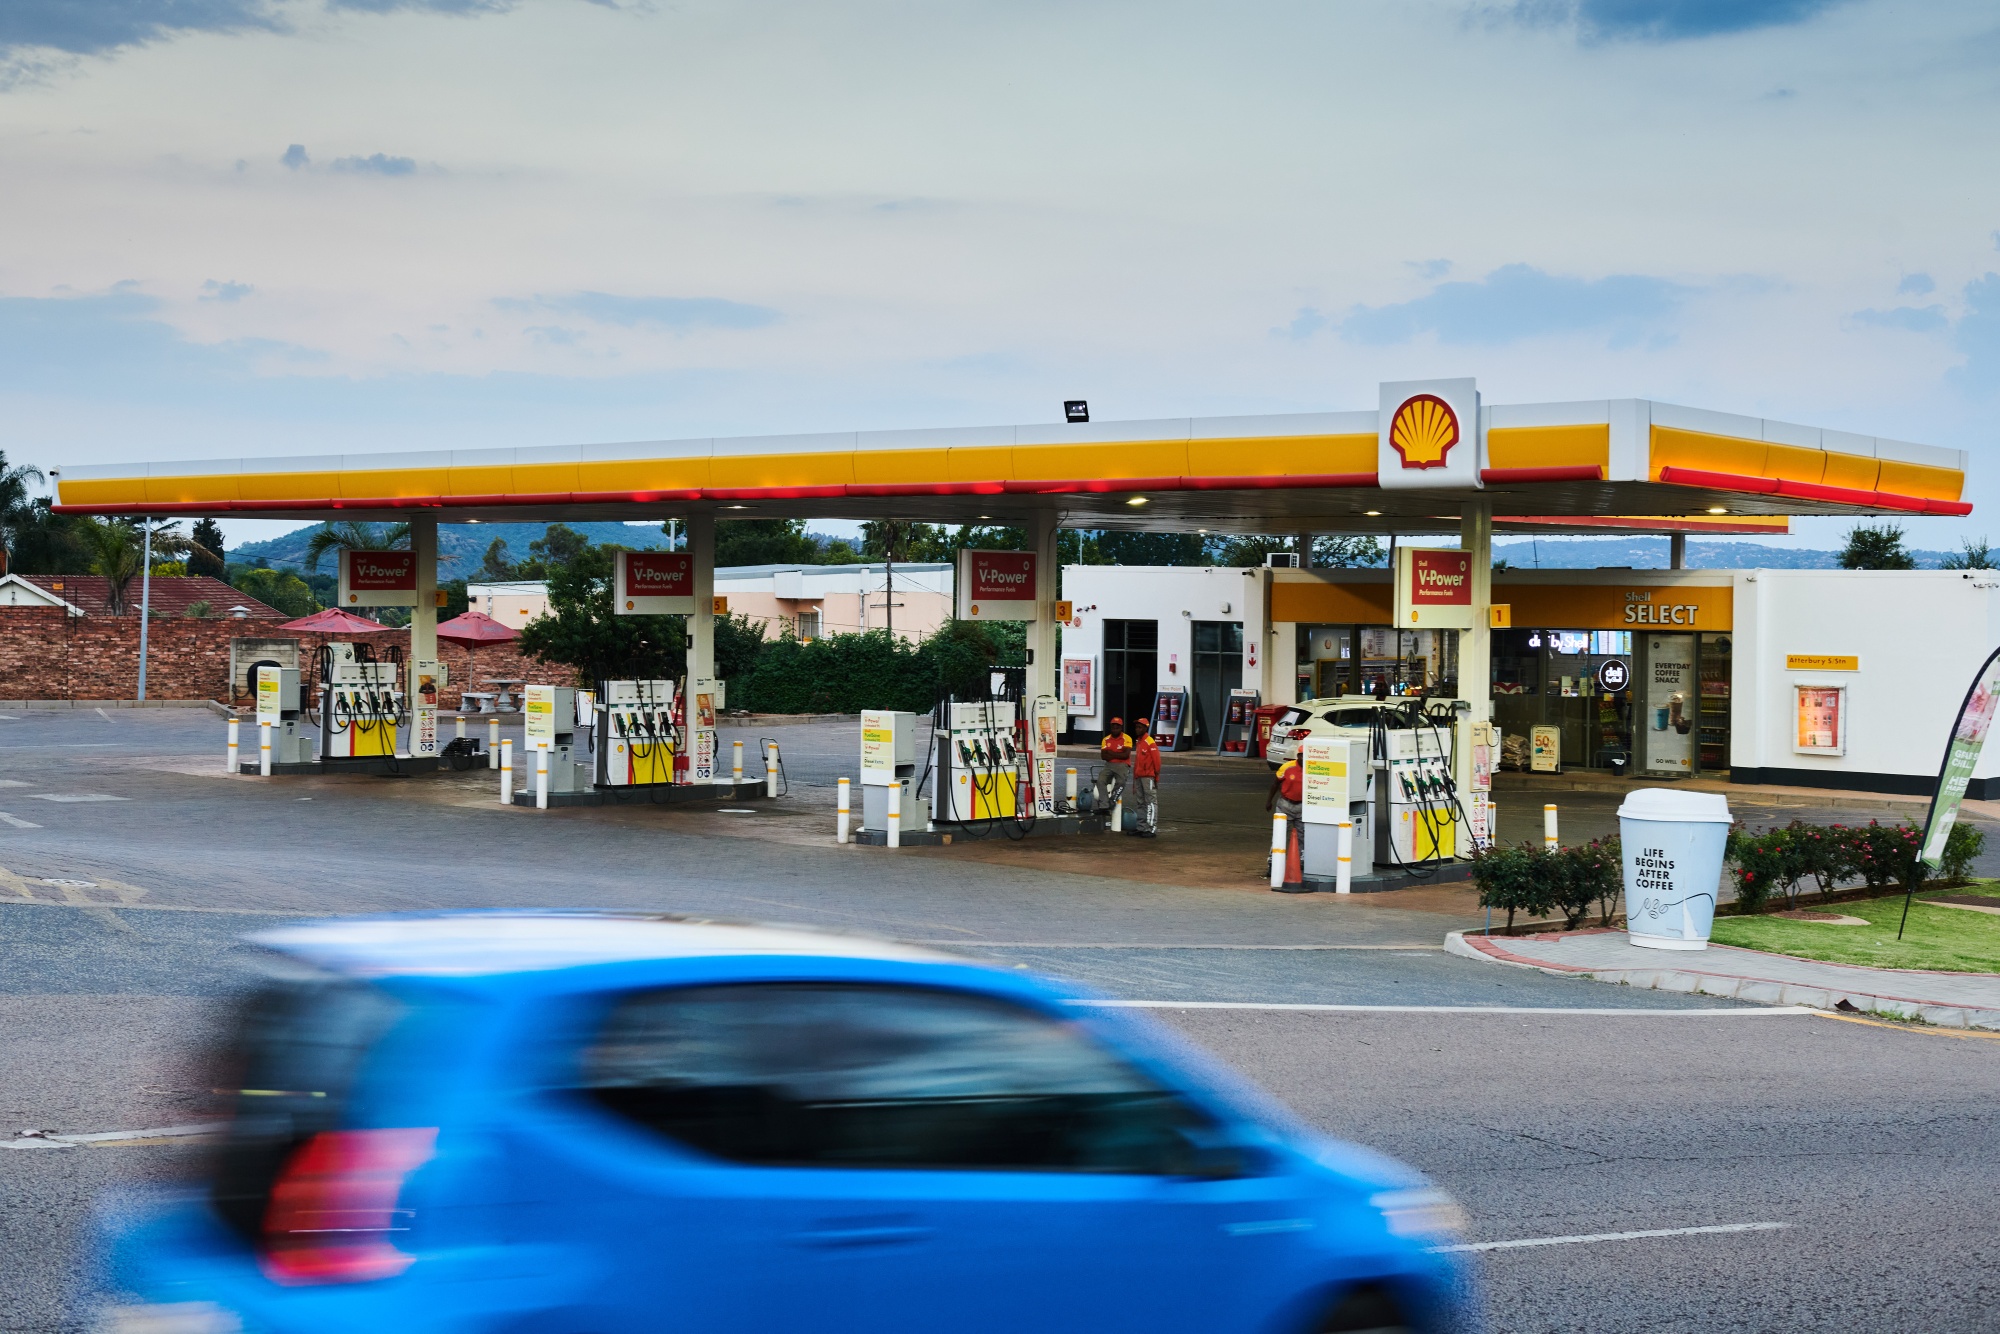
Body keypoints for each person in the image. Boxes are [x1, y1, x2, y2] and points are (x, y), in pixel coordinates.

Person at [1130, 718, 1162, 837]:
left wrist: (1156, 777)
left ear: (1145, 728)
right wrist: (1134, 781)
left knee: (1151, 803)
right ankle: (1141, 827)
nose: (1137, 729)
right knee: (1141, 802)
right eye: (1136, 727)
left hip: (1148, 777)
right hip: (1139, 777)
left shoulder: (1149, 742)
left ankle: (1151, 829)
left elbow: (1157, 762)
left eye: (1140, 727)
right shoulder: (1139, 742)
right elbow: (1137, 763)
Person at [1094, 716, 1133, 815]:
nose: (1115, 728)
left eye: (1117, 726)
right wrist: (1118, 754)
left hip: (1122, 765)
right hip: (1109, 765)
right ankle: (1104, 806)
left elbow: (1125, 755)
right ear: (1110, 727)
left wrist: (1110, 753)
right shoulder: (1106, 739)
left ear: (1121, 727)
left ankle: (1112, 801)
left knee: (1121, 782)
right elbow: (1103, 756)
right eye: (1113, 726)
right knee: (1100, 780)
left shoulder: (1127, 738)